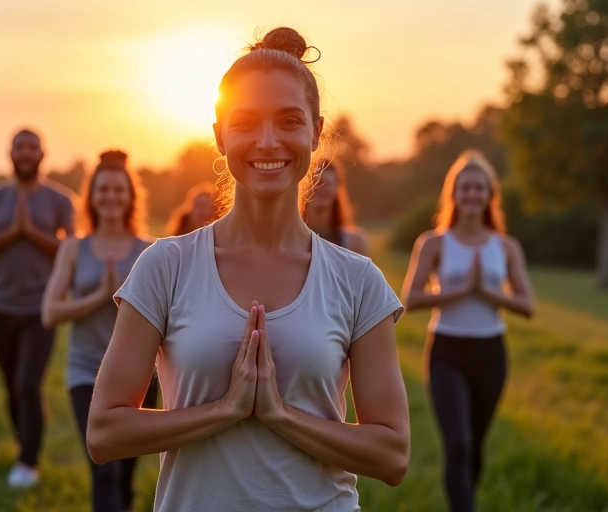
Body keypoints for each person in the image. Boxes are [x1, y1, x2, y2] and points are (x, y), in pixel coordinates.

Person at [87, 27, 410, 512]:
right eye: (245, 123)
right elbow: (104, 431)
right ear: (219, 135)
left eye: (288, 121)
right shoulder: (166, 266)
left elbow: (392, 453)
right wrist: (225, 410)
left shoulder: (358, 281)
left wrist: (279, 416)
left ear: (316, 132)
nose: (267, 141)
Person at [401, 150, 534, 512]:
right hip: (447, 351)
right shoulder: (434, 242)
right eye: (465, 188)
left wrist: (488, 292)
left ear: (490, 195)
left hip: (491, 353)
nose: (472, 194)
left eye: (480, 188)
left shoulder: (505, 247)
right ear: (453, 194)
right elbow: (409, 298)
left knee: (474, 444)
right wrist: (459, 291)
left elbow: (527, 305)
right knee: (457, 443)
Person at [42, 150, 156, 511]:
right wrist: (100, 296)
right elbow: (50, 312)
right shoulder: (74, 248)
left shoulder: (149, 251)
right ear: (91, 196)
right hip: (85, 373)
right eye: (103, 190)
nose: (111, 197)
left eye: (118, 190)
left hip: (139, 376)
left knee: (125, 473)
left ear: (131, 196)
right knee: (103, 468)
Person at [0, 128, 75, 488]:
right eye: (19, 147)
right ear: (10, 153)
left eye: (32, 147)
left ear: (43, 153)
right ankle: (24, 446)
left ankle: (28, 463)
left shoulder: (60, 200)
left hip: (39, 310)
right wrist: (13, 231)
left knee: (28, 384)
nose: (26, 153)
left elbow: (75, 251)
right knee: (13, 387)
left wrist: (31, 231)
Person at [305, 159, 370, 255]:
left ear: (337, 189)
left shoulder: (355, 242)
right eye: (316, 183)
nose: (321, 188)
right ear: (304, 188)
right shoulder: (290, 238)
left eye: (328, 184)